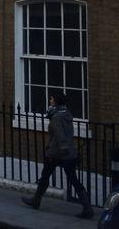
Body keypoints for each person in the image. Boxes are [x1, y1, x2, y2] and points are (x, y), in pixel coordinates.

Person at [21, 91, 93, 219]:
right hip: (69, 153)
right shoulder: (67, 114)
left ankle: (36, 200)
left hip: (56, 153)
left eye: (51, 99)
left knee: (45, 177)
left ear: (55, 101)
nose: (50, 101)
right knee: (73, 180)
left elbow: (59, 137)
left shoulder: (56, 118)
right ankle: (87, 207)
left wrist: (59, 150)